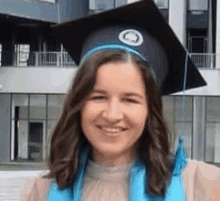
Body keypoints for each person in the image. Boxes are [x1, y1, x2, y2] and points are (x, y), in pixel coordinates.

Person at [20, 0, 220, 200]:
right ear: (78, 103)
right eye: (98, 97)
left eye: (130, 100)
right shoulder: (40, 192)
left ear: (150, 110)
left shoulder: (199, 184)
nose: (112, 114)